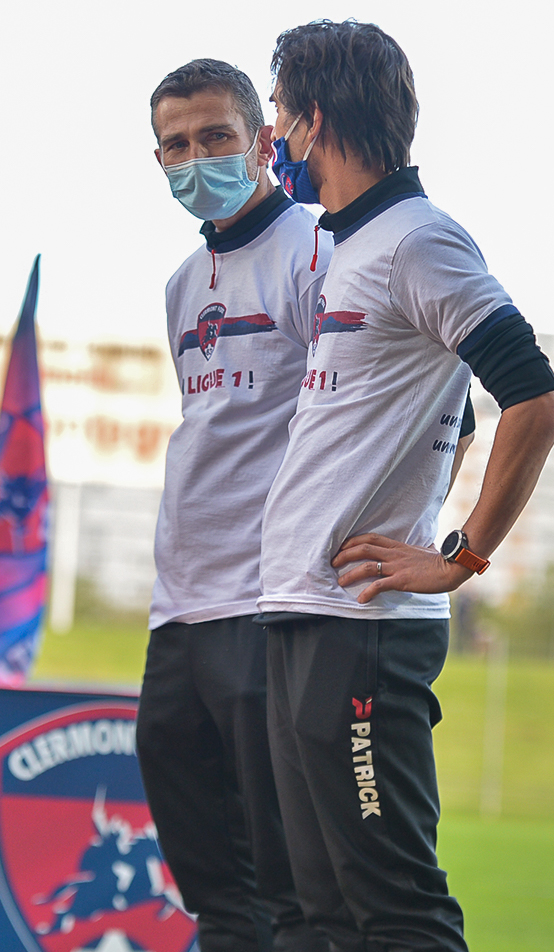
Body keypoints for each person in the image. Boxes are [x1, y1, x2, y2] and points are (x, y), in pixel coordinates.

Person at [256, 20, 554, 951]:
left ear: (314, 119)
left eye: (276, 115)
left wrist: (458, 554)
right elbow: (457, 414)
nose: (272, 139)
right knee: (319, 917)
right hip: (301, 611)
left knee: (394, 915)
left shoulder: (418, 239)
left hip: (364, 632)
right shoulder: (345, 248)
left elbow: (536, 401)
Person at [135, 58, 330, 952]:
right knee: (212, 887)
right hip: (180, 607)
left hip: (270, 602)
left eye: (215, 137)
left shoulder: (319, 252)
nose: (196, 158)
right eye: (175, 145)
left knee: (285, 888)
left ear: (260, 142)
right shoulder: (181, 284)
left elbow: (419, 410)